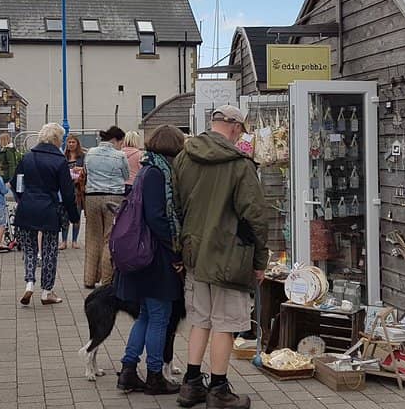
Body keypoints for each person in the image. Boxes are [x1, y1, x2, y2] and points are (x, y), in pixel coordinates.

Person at [173, 105, 269, 409]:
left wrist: (181, 248)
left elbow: (175, 207)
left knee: (200, 319)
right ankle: (218, 389)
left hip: (194, 253)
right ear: (235, 127)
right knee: (225, 323)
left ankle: (191, 385)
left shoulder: (183, 157)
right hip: (230, 255)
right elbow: (255, 217)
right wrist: (260, 261)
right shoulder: (240, 164)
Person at [116, 125, 186, 395]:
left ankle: (128, 371)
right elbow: (157, 217)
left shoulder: (147, 169)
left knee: (145, 316)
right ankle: (155, 376)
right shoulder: (158, 174)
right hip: (154, 258)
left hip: (141, 256)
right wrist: (175, 249)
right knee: (160, 316)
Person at [11, 123, 78, 306]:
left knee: (29, 249)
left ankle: (29, 283)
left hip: (26, 209)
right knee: (49, 251)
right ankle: (47, 291)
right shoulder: (59, 161)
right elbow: (67, 192)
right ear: (57, 139)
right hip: (49, 210)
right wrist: (74, 216)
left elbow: (15, 183)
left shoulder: (27, 157)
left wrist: (22, 199)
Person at [83, 125, 129, 288]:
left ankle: (89, 279)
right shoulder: (120, 155)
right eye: (121, 142)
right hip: (114, 197)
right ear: (116, 140)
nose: (121, 145)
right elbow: (126, 175)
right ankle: (107, 280)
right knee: (109, 238)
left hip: (92, 197)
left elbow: (86, 171)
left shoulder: (90, 153)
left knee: (92, 237)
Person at [60, 135, 86, 250]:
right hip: (66, 188)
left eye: (73, 142)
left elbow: (87, 169)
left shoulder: (82, 156)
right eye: (69, 142)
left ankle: (75, 240)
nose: (71, 144)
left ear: (77, 143)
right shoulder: (63, 156)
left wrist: (80, 170)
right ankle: (64, 240)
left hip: (78, 188)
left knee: (76, 214)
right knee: (65, 215)